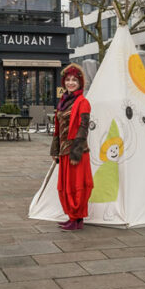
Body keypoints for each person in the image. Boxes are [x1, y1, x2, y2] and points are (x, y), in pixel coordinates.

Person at [50, 63, 93, 231]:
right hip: (64, 151)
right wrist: (55, 150)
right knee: (66, 186)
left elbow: (83, 128)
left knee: (77, 187)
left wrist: (76, 153)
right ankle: (73, 218)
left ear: (80, 83)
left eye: (74, 80)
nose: (70, 83)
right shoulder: (63, 102)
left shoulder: (83, 102)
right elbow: (58, 128)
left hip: (77, 152)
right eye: (67, 80)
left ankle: (77, 219)